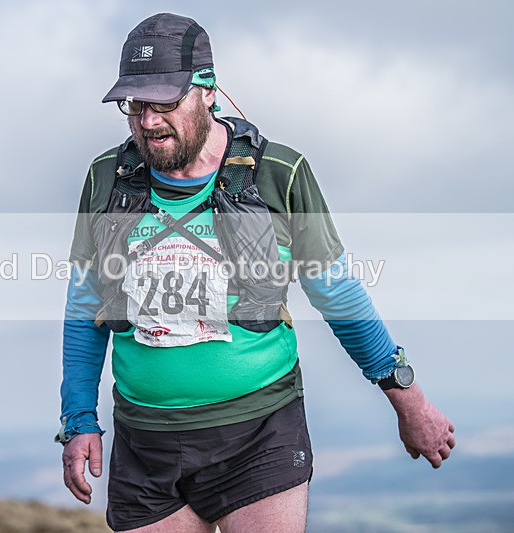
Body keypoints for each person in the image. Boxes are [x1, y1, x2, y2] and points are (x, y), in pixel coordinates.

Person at [57, 13, 455, 533]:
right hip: (144, 439)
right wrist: (78, 419)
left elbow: (337, 294)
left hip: (261, 433)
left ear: (207, 90)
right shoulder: (106, 178)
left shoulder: (279, 174)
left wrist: (409, 399)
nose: (148, 121)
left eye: (165, 103)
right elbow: (86, 305)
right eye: (135, 106)